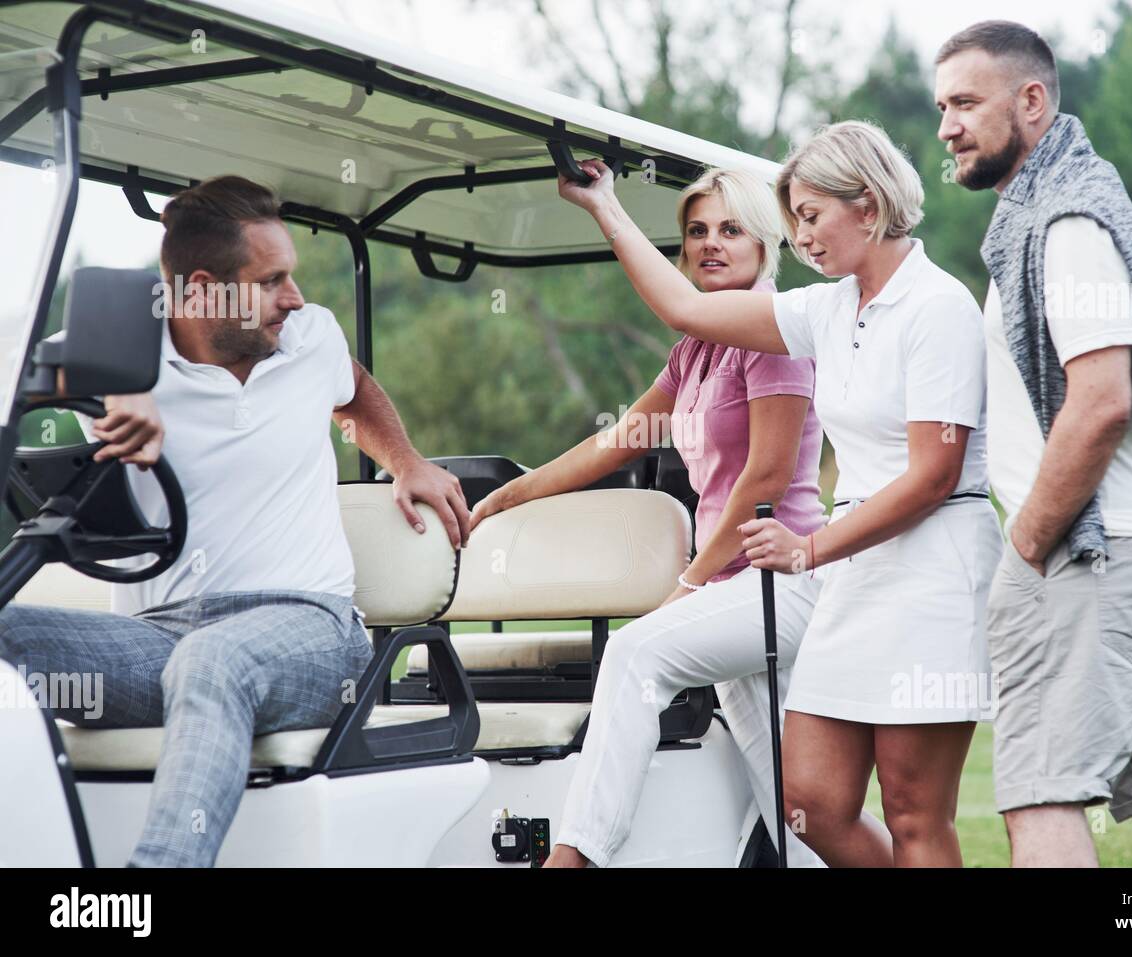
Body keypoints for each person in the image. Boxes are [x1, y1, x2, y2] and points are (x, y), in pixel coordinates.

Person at [558, 122, 1001, 867]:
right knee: (812, 805)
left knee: (914, 811)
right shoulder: (827, 309)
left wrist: (810, 548)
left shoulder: (939, 307)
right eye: (793, 218)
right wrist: (603, 205)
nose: (799, 236)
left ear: (868, 205)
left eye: (812, 215)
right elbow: (685, 309)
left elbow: (934, 476)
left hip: (931, 570)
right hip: (849, 570)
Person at [0, 175, 470, 867]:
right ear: (198, 291)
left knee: (211, 660)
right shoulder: (113, 352)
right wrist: (123, 378)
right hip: (155, 643)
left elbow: (356, 387)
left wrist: (405, 459)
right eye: (272, 279)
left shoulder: (309, 337)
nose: (296, 297)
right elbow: (59, 344)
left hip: (310, 630)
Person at [471, 167, 852, 868]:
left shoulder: (776, 334)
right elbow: (617, 442)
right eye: (697, 232)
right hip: (729, 596)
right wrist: (511, 494)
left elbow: (766, 478)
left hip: (783, 584)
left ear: (765, 246)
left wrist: (689, 582)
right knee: (802, 816)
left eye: (730, 230)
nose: (711, 244)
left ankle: (574, 854)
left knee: (635, 651)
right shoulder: (697, 350)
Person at [933, 20, 1132, 867]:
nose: (946, 127)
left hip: (1093, 552)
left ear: (1030, 100)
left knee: (1040, 796)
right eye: (940, 107)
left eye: (965, 102)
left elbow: (1100, 402)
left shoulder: (1065, 223)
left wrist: (1027, 542)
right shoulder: (1058, 208)